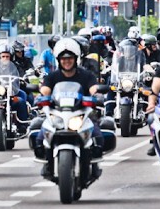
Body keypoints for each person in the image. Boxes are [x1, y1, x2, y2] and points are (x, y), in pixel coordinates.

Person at [31, 37, 106, 179]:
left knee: (98, 136)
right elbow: (45, 90)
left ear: (75, 59)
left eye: (70, 58)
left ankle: (93, 165)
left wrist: (97, 95)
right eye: (63, 59)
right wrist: (41, 96)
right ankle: (47, 164)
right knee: (41, 137)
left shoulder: (86, 75)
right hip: (57, 114)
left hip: (82, 113)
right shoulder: (53, 76)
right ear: (58, 60)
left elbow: (93, 88)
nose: (67, 61)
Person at [0, 44, 30, 125]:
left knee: (21, 100)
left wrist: (22, 79)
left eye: (7, 56)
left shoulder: (15, 66)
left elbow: (20, 75)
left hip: (11, 93)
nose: (5, 58)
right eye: (3, 56)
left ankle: (23, 124)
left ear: (11, 57)